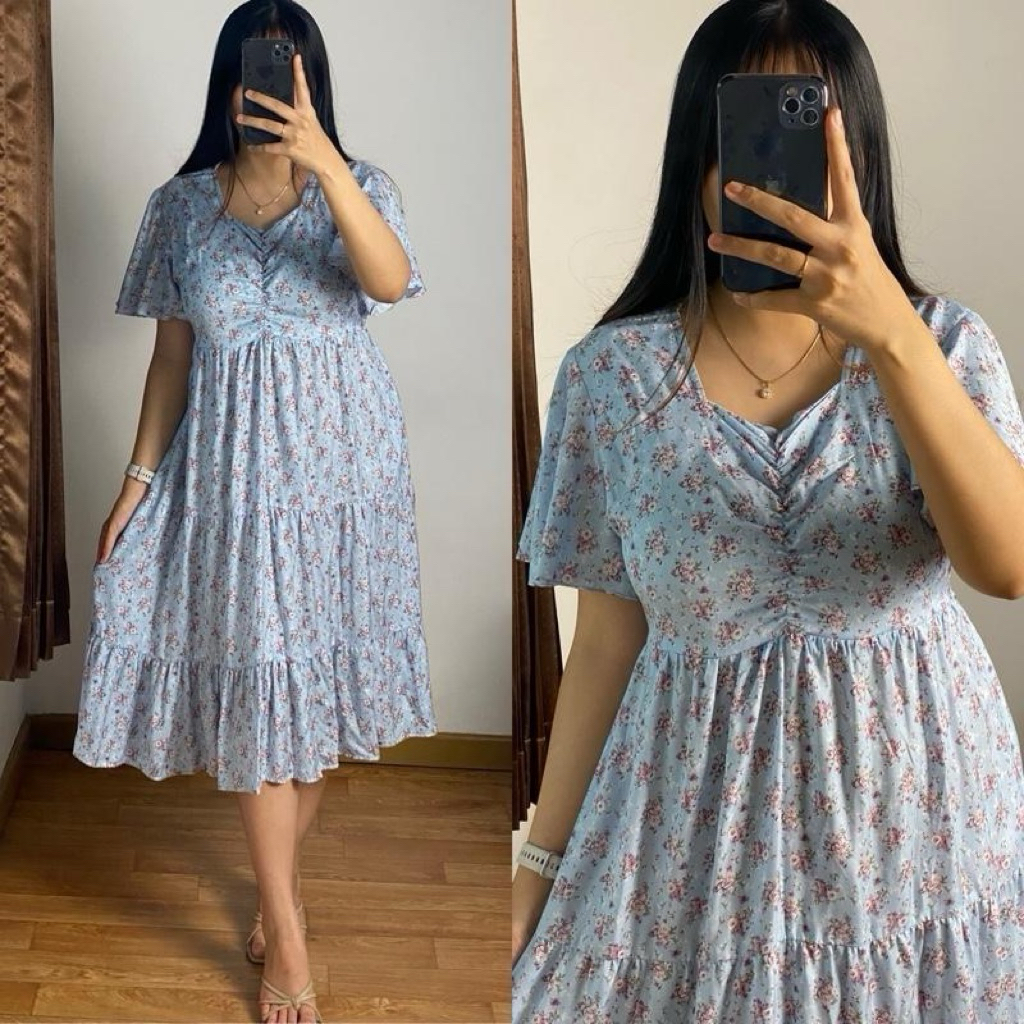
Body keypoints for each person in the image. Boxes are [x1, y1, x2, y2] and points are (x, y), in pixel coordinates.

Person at [512, 0, 1024, 1019]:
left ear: (859, 157)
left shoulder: (943, 345)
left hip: (921, 837)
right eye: (748, 132)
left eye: (808, 134)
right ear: (695, 154)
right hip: (689, 848)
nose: (772, 175)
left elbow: (1006, 565)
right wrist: (539, 865)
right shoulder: (610, 378)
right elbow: (606, 643)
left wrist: (892, 337)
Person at [72, 2, 437, 1020]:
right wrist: (137, 481)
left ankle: (279, 902)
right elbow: (172, 358)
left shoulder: (364, 187)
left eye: (284, 71)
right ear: (225, 82)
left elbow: (389, 282)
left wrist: (324, 164)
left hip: (345, 482)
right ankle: (288, 927)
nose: (264, 89)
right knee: (258, 693)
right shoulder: (179, 207)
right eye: (250, 70)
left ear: (311, 82)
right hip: (233, 484)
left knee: (309, 700)